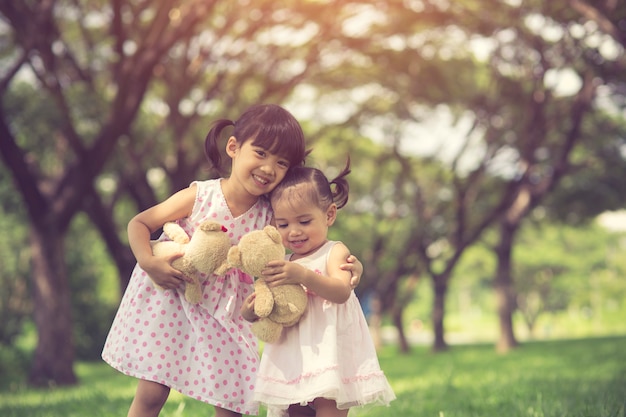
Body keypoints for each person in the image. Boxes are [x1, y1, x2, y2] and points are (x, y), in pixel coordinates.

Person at [102, 104, 362, 417]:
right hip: (176, 297)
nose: (268, 167)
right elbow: (139, 223)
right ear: (234, 147)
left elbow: (308, 247)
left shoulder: (271, 212)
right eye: (261, 153)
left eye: (281, 162)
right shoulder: (201, 195)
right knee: (152, 393)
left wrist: (349, 265)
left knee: (235, 401)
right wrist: (148, 262)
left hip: (228, 313)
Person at [241, 160, 395, 417]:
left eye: (304, 221)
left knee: (328, 406)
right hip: (292, 355)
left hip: (328, 352)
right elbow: (273, 305)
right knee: (291, 410)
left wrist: (303, 275)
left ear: (329, 215)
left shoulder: (334, 251)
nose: (294, 232)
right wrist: (251, 311)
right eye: (283, 224)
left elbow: (341, 291)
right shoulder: (285, 260)